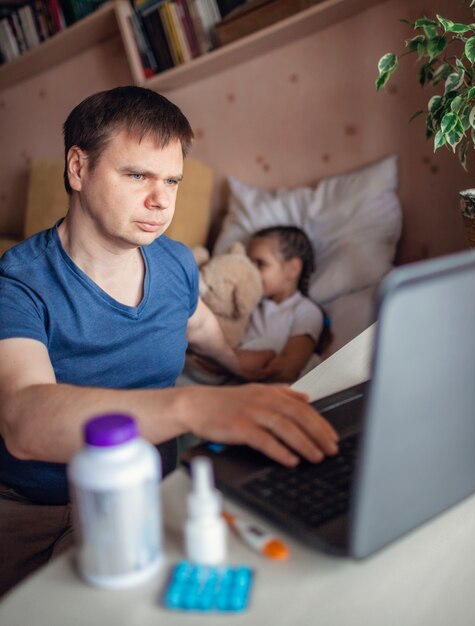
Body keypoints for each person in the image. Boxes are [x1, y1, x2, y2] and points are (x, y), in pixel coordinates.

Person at [0, 86, 339, 596]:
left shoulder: (177, 263)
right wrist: (192, 407)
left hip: (152, 498)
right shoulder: (18, 283)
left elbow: (197, 325)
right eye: (137, 176)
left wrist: (241, 366)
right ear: (77, 168)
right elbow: (24, 417)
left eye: (172, 181)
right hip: (35, 510)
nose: (161, 201)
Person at [243, 225, 328, 382]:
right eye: (248, 263)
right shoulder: (251, 306)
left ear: (293, 269)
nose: (250, 272)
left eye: (260, 263)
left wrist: (233, 360)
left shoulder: (305, 311)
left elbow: (287, 370)